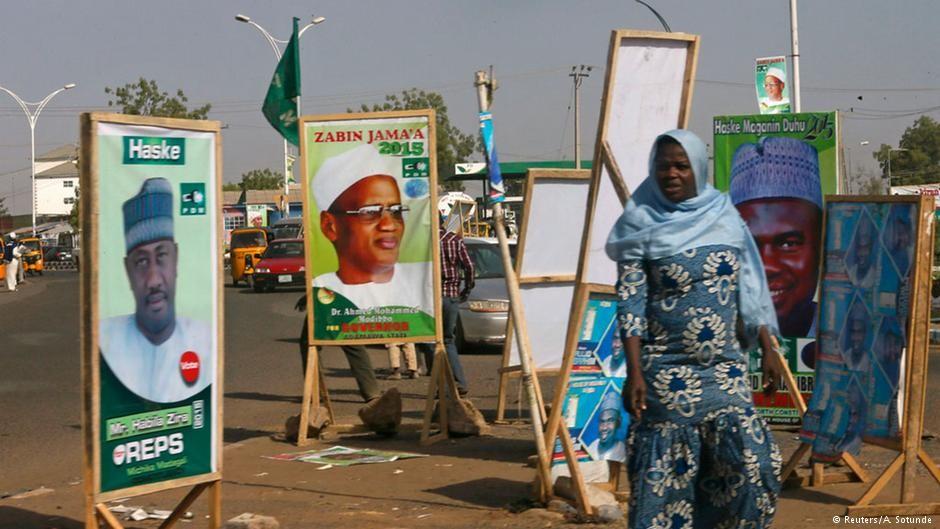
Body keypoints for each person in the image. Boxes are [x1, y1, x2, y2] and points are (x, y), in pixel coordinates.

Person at [606, 130, 782, 528]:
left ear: (698, 169)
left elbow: (747, 286)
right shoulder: (640, 221)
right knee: (668, 486)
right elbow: (631, 302)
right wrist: (634, 372)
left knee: (751, 470)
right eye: (663, 165)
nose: (672, 173)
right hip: (667, 376)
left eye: (681, 166)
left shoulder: (724, 214)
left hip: (725, 370)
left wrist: (768, 347)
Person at [99, 177, 213, 403]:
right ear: (127, 270)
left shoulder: (205, 340)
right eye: (141, 262)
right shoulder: (107, 340)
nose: (153, 280)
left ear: (176, 259)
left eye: (161, 256)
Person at [312, 143, 432, 315]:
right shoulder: (323, 289)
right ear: (330, 226)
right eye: (370, 212)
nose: (389, 225)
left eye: (396, 211)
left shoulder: (423, 281)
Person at [730, 136, 823, 338]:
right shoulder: (720, 337)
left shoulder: (844, 337)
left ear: (820, 245)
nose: (766, 266)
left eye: (789, 244)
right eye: (750, 246)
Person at [419, 215, 475, 396]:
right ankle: (459, 382)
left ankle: (442, 387)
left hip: (430, 298)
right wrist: (466, 290)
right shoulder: (454, 240)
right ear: (442, 222)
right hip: (451, 297)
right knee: (448, 340)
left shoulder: (423, 244)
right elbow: (470, 267)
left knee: (431, 341)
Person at [586, 390, 626, 463]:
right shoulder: (592, 446)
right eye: (602, 421)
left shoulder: (621, 450)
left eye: (610, 421)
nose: (604, 428)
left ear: (618, 422)